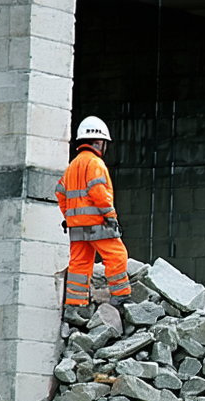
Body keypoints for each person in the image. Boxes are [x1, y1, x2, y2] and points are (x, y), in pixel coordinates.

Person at [56, 116, 131, 308]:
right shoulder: (95, 164)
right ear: (98, 142)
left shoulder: (72, 167)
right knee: (117, 255)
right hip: (98, 224)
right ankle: (120, 296)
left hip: (77, 227)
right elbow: (99, 193)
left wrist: (70, 217)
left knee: (79, 264)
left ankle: (75, 305)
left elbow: (60, 191)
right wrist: (111, 217)